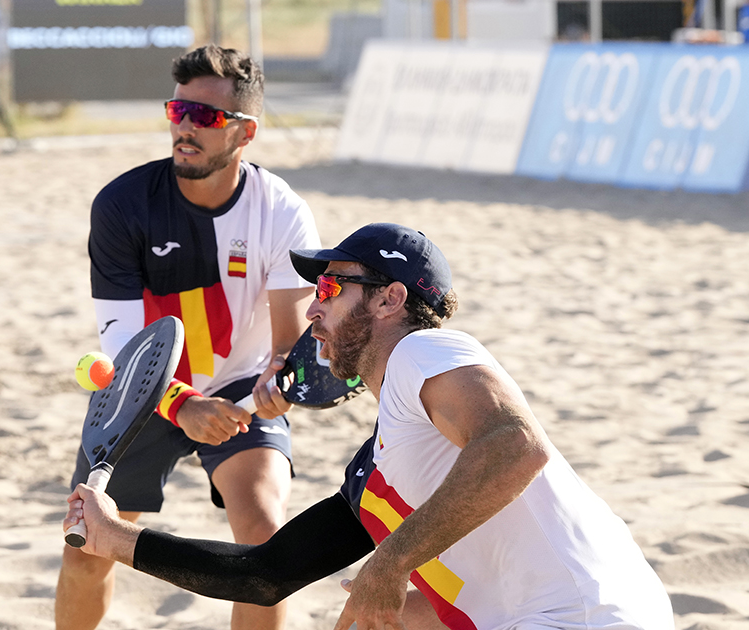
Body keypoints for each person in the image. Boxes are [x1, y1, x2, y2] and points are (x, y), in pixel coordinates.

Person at [63, 222, 675, 630]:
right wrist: (114, 538)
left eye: (331, 285)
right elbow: (263, 575)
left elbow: (516, 447)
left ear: (389, 301)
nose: (314, 307)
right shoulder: (378, 469)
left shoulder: (424, 351)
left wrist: (390, 564)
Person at [54, 44, 321, 630]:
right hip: (142, 387)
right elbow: (125, 341)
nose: (184, 128)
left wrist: (280, 379)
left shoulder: (281, 211)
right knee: (86, 546)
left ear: (244, 132)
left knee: (267, 544)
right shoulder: (123, 205)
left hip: (239, 383)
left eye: (204, 118)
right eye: (177, 112)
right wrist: (182, 403)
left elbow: (289, 342)